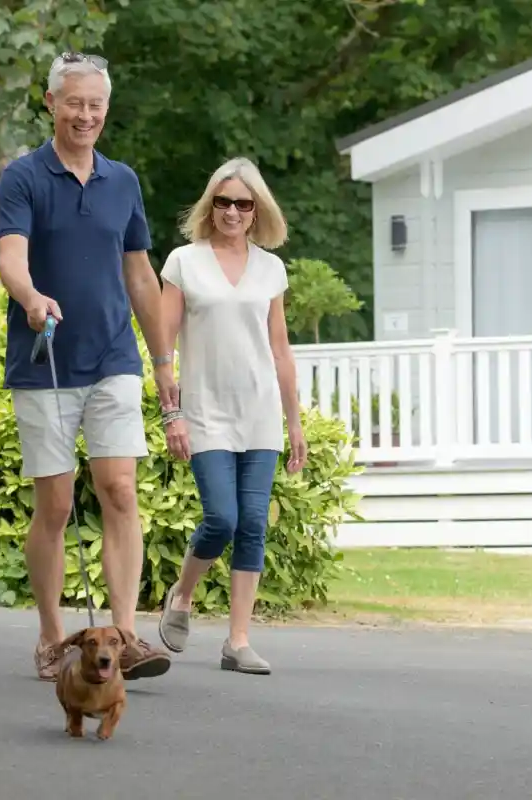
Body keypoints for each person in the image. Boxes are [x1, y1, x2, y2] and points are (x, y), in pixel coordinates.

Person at [0, 51, 178, 682]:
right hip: (43, 360)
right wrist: (31, 298)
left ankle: (121, 636)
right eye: (75, 102)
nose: (86, 115)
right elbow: (10, 258)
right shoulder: (22, 177)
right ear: (51, 103)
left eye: (96, 105)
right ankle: (51, 636)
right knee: (56, 505)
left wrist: (162, 359)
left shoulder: (122, 181)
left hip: (113, 358)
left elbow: (139, 275)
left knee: (121, 489)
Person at [156, 157, 308, 675]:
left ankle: (238, 641)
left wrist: (294, 422)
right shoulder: (183, 262)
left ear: (256, 209)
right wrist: (171, 413)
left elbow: (281, 350)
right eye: (223, 202)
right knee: (222, 517)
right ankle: (182, 594)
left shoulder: (271, 268)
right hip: (206, 413)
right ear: (210, 205)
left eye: (243, 203)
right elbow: (164, 345)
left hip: (260, 412)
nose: (233, 212)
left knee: (253, 526)